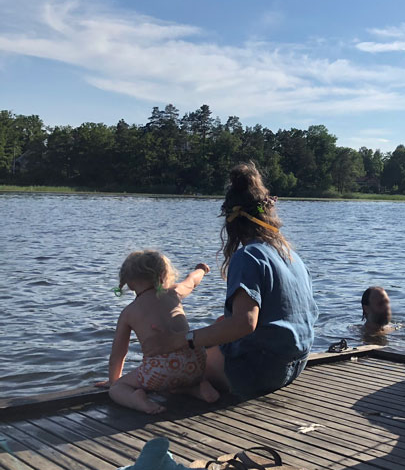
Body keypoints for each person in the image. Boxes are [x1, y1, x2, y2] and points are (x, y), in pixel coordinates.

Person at [142, 162, 319, 400]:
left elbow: (244, 324)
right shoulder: (291, 255)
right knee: (218, 324)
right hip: (296, 364)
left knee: (175, 369)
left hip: (262, 372)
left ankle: (183, 385)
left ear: (232, 222)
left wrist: (181, 341)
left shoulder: (248, 256)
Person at [108, 252, 219, 414]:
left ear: (129, 283)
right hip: (196, 363)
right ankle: (198, 388)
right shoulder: (174, 293)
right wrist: (201, 269)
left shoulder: (128, 312)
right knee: (174, 382)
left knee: (117, 388)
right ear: (163, 275)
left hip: (162, 370)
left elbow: (118, 353)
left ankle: (137, 401)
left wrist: (113, 380)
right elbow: (192, 280)